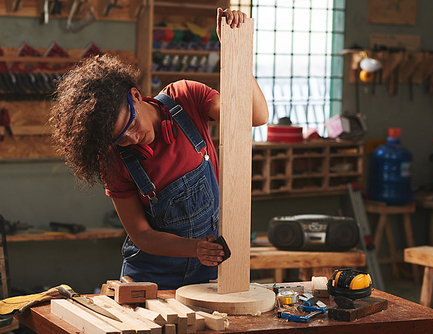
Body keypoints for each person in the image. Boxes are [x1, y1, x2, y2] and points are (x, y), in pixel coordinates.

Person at [49, 8, 269, 290]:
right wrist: (196, 248)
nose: (132, 138)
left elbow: (255, 116)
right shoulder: (113, 160)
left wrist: (236, 52)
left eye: (131, 123)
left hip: (209, 270)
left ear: (136, 96)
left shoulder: (186, 99)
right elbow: (142, 235)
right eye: (119, 139)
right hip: (151, 276)